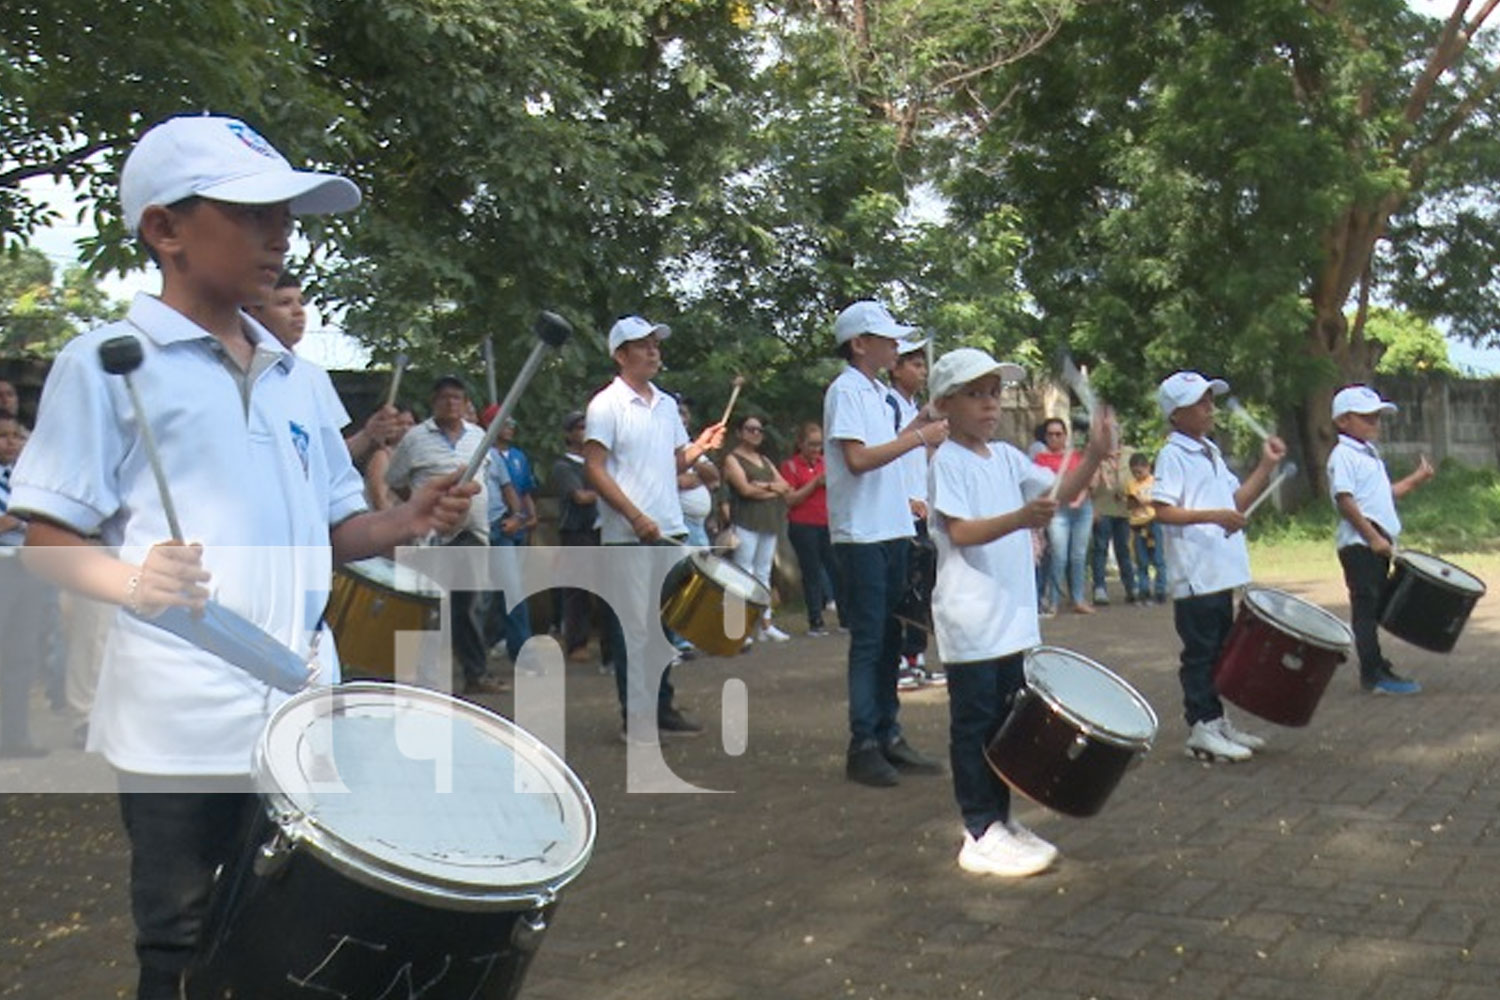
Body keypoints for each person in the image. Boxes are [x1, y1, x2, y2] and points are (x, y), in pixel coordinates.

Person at [8, 114, 476, 1000]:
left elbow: (339, 531)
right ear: (165, 229)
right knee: (182, 942)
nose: (280, 235)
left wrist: (408, 516)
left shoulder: (298, 377)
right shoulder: (109, 364)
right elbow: (46, 542)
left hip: (304, 700)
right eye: (251, 212)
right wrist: (134, 580)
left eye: (287, 216)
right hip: (178, 715)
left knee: (300, 932)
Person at [927, 348, 1113, 876]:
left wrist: (1095, 457)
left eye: (993, 394)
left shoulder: (1007, 458)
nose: (989, 405)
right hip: (971, 621)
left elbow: (1062, 495)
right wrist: (1019, 518)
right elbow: (960, 531)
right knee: (974, 726)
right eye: (975, 395)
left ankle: (1002, 821)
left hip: (1012, 621)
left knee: (1007, 728)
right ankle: (979, 829)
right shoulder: (948, 462)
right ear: (944, 404)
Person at [823, 300, 948, 788]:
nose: (896, 346)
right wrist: (918, 439)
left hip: (891, 528)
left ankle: (888, 733)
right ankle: (865, 743)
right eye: (887, 338)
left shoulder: (876, 392)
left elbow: (885, 447)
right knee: (871, 639)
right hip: (862, 533)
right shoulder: (847, 391)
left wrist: (917, 429)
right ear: (859, 344)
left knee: (892, 637)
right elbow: (857, 459)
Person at [583, 315, 726, 742]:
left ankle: (662, 708)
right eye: (642, 345)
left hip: (670, 528)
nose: (653, 351)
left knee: (663, 627)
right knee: (634, 629)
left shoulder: (665, 404)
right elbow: (594, 468)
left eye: (655, 345)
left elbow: (674, 460)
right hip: (629, 535)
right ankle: (637, 718)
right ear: (620, 355)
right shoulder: (605, 405)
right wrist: (633, 515)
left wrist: (700, 446)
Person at [1152, 371, 1285, 763]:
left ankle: (1216, 718)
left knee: (1221, 650)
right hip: (1195, 575)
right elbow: (1161, 510)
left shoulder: (1209, 450)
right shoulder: (1172, 454)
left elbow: (1236, 502)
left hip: (1220, 571)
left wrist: (1265, 465)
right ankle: (1201, 726)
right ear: (1176, 413)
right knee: (1201, 652)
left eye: (1211, 400)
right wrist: (1214, 516)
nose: (1210, 408)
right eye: (1201, 402)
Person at [386, 374, 505, 695]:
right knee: (430, 605)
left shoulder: (478, 435)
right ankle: (426, 678)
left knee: (470, 605)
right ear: (433, 402)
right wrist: (420, 506)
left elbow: (487, 477)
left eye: (457, 397)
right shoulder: (415, 438)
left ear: (466, 403)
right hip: (432, 535)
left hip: (474, 533)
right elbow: (394, 478)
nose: (451, 403)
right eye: (444, 398)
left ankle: (475, 673)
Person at [1327, 384, 1436, 695]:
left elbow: (1381, 496)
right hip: (1361, 545)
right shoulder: (1344, 455)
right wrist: (1373, 537)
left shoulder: (1368, 454)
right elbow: (1345, 500)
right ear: (1343, 421)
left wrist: (1415, 479)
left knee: (1374, 608)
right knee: (1365, 609)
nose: (1374, 423)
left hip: (1376, 543)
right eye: (1366, 418)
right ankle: (1373, 674)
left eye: (1376, 417)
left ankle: (1377, 665)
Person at [245, 270, 399, 466]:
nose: (298, 311)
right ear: (253, 312)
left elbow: (331, 461)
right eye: (284, 303)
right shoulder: (237, 372)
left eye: (301, 302)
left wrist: (369, 434)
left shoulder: (313, 376)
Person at [887, 340, 941, 688]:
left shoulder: (915, 407)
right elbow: (886, 452)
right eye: (915, 365)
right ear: (895, 368)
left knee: (924, 585)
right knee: (902, 588)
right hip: (897, 511)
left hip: (923, 508)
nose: (922, 372)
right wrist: (902, 499)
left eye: (924, 365)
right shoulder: (889, 406)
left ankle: (916, 656)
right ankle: (897, 660)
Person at [0, 413, 49, 757]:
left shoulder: (25, 479)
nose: (10, 442)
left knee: (21, 654)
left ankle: (14, 735)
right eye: (2, 436)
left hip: (25, 565)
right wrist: (20, 518)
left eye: (15, 436)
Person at [723, 413, 793, 643]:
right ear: (739, 432)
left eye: (759, 430)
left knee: (763, 572)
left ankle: (765, 623)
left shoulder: (765, 460)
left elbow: (785, 486)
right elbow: (744, 490)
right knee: (742, 572)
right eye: (750, 429)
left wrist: (764, 485)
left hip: (768, 521)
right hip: (745, 520)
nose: (755, 434)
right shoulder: (732, 459)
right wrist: (772, 489)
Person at [781, 420, 845, 636]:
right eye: (812, 444)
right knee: (812, 572)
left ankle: (845, 618)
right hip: (803, 525)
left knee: (837, 569)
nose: (816, 449)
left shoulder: (827, 463)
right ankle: (815, 620)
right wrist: (814, 484)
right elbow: (790, 499)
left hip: (828, 523)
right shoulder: (790, 466)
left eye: (819, 445)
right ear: (801, 444)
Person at [481, 411, 534, 664]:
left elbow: (510, 489)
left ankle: (522, 652)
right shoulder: (471, 450)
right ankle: (478, 659)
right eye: (505, 422)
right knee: (477, 598)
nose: (511, 427)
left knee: (513, 591)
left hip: (499, 527)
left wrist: (518, 517)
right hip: (468, 532)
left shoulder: (501, 457)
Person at [552, 409, 604, 663]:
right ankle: (576, 643)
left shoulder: (600, 462)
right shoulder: (563, 466)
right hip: (576, 531)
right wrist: (607, 491)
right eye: (580, 427)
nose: (585, 431)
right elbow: (580, 497)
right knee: (577, 590)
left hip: (601, 530)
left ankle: (608, 644)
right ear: (570, 433)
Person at [1033, 417, 1096, 615]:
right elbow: (1040, 487)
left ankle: (1078, 598)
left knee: (1078, 556)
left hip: (1082, 509)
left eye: (1058, 434)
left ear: (1065, 436)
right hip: (1058, 511)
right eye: (1050, 434)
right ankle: (1054, 600)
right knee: (1059, 556)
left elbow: (1087, 480)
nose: (1054, 438)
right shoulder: (1040, 460)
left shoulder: (1076, 456)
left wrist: (1080, 499)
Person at [1089, 444, 1137, 605]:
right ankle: (1100, 588)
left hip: (1123, 510)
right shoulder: (1096, 454)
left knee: (1123, 549)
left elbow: (1139, 479)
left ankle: (1131, 587)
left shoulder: (1130, 454)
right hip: (1102, 509)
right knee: (1100, 548)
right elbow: (1089, 484)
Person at [1125, 451, 1168, 604]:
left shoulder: (1155, 482)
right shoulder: (1131, 485)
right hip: (1137, 524)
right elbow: (1129, 504)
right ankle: (1144, 589)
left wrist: (1147, 502)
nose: (1137, 475)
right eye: (1134, 472)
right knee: (1141, 559)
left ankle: (1161, 589)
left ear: (1148, 468)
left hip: (1153, 521)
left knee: (1158, 558)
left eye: (1140, 471)